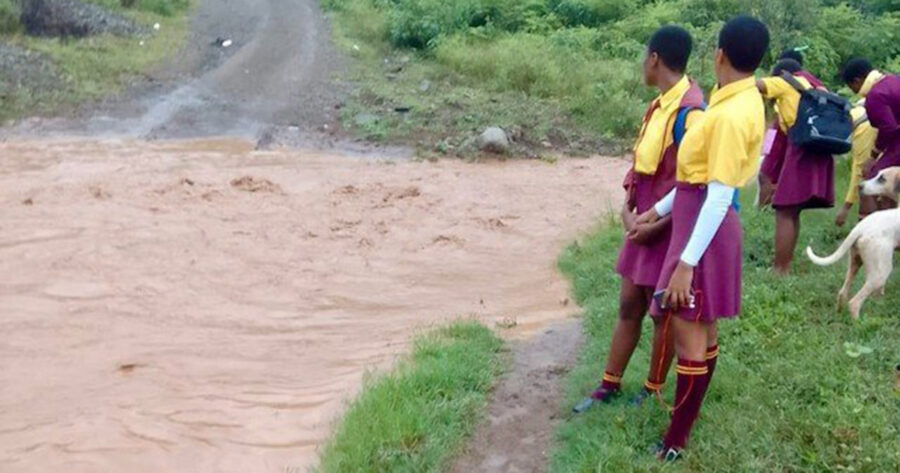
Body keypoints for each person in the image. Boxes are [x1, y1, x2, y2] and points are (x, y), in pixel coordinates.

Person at [635, 15, 768, 460]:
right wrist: (656, 210)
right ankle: (683, 425)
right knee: (703, 332)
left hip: (703, 233)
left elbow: (718, 196)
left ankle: (675, 440)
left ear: (719, 56)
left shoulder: (730, 114)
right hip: (698, 220)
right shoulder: (735, 101)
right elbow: (696, 183)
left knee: (691, 336)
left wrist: (685, 264)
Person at [572, 26, 705, 413]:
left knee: (660, 309)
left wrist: (655, 223)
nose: (642, 64)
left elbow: (690, 184)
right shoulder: (658, 104)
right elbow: (641, 165)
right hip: (643, 213)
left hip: (667, 221)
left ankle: (652, 388)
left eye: (644, 57)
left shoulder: (691, 112)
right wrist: (628, 206)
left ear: (654, 59)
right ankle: (608, 385)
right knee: (629, 302)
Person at [757, 59, 835, 274]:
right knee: (792, 210)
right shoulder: (817, 87)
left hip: (801, 151)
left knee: (784, 210)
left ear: (782, 73)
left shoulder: (786, 83)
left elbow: (754, 86)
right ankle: (785, 263)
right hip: (819, 151)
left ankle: (780, 268)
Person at [757, 49, 825, 207]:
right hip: (802, 135)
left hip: (784, 133)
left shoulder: (786, 82)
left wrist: (766, 150)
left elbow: (775, 121)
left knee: (766, 172)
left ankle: (764, 208)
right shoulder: (813, 82)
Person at [843, 58, 900, 208]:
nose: (854, 91)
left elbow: (888, 128)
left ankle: (882, 223)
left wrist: (874, 155)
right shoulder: (892, 80)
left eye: (851, 87)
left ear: (857, 81)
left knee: (875, 177)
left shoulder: (875, 95)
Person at [835, 102, 878, 226]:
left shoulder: (864, 127)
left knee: (869, 183)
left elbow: (862, 172)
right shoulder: (863, 110)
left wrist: (846, 208)